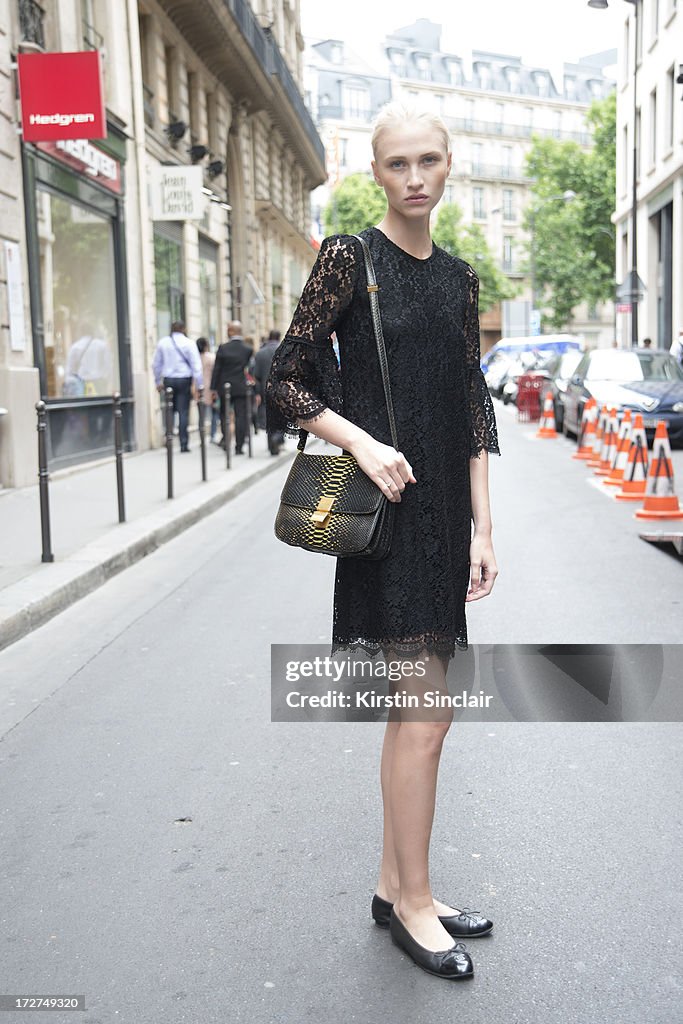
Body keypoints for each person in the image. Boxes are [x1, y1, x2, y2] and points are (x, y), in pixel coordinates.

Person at [265, 100, 500, 981]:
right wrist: (360, 439)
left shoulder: (459, 278)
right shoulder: (346, 258)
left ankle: (397, 882)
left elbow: (470, 405)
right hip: (386, 516)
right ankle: (410, 903)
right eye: (396, 164)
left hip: (445, 520)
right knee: (426, 720)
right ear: (376, 173)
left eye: (427, 161)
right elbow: (286, 377)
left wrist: (486, 529)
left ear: (448, 166)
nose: (413, 178)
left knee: (420, 718)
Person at [152, 320, 203, 452]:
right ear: (183, 329)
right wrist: (199, 385)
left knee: (169, 411)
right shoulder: (189, 343)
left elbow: (156, 364)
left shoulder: (163, 342)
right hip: (184, 380)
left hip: (168, 380)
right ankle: (183, 444)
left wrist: (158, 381)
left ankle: (168, 441)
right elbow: (196, 366)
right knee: (183, 412)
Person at [210, 321, 252, 454]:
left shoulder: (223, 348)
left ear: (233, 331)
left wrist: (213, 389)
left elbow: (217, 370)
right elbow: (249, 369)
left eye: (228, 330)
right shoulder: (247, 349)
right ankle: (239, 446)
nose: (227, 332)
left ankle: (226, 441)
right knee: (241, 415)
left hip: (224, 387)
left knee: (224, 415)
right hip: (240, 386)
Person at [252, 330, 285, 454]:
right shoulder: (284, 350)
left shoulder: (260, 353)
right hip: (282, 389)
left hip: (265, 389)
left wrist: (257, 392)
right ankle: (278, 438)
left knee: (268, 417)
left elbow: (256, 375)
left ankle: (272, 445)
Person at [196, 337, 219, 442]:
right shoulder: (211, 357)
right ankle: (212, 435)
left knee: (201, 415)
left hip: (199, 387)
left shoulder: (195, 358)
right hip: (211, 387)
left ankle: (201, 437)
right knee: (214, 412)